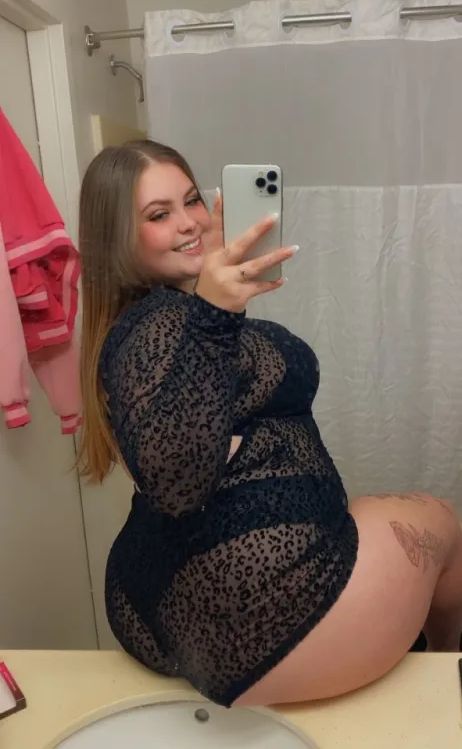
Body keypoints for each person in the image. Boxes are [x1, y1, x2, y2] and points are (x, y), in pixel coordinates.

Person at [78, 139, 462, 709]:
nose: (188, 223)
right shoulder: (161, 323)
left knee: (383, 510)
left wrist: (211, 303)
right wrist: (215, 312)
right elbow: (177, 482)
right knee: (444, 521)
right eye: (159, 215)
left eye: (192, 201)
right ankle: (448, 664)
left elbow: (191, 422)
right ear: (118, 238)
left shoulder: (151, 319)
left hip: (167, 604)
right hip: (264, 619)